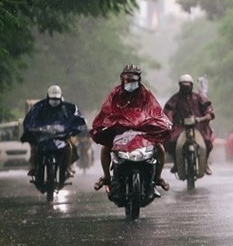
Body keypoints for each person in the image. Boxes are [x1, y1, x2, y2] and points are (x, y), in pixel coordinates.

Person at [90, 64, 172, 192]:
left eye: (133, 80)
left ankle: (157, 177)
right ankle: (107, 177)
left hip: (143, 130)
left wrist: (155, 122)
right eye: (128, 80)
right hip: (120, 129)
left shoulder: (146, 94)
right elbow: (106, 110)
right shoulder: (115, 94)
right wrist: (108, 123)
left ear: (138, 80)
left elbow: (155, 111)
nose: (130, 83)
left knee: (160, 148)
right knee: (105, 149)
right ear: (122, 79)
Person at [21, 85, 87, 177]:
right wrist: (33, 128)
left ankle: (68, 167)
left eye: (56, 99)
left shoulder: (67, 108)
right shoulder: (40, 107)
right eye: (52, 98)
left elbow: (75, 118)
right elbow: (32, 119)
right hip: (44, 136)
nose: (54, 101)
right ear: (48, 96)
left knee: (69, 146)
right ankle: (34, 166)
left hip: (61, 136)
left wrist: (75, 128)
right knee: (35, 147)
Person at [163, 74, 215, 175]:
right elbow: (168, 111)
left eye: (187, 85)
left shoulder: (198, 97)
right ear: (180, 86)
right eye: (183, 86)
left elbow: (207, 107)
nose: (186, 88)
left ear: (191, 85)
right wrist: (168, 119)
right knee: (170, 142)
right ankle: (176, 163)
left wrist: (207, 115)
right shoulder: (175, 99)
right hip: (180, 126)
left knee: (207, 142)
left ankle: (205, 164)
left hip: (198, 126)